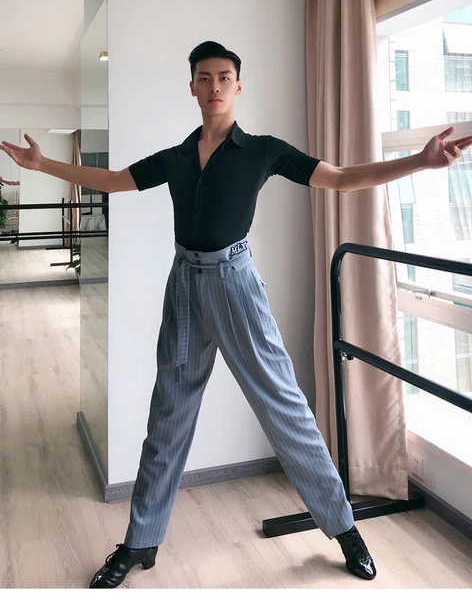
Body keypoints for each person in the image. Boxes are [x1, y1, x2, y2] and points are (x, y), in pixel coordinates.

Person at [2, 41, 471, 590]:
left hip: (236, 284)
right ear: (193, 87)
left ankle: (344, 530)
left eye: (224, 77)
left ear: (238, 86)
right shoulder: (177, 157)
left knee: (284, 408)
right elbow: (114, 180)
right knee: (167, 416)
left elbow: (342, 178)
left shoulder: (262, 151)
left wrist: (420, 161)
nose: (215, 86)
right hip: (184, 285)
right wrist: (42, 165)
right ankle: (140, 541)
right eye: (205, 77)